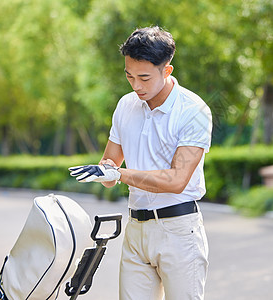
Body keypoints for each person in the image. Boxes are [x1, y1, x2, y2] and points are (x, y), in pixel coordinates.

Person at [69, 26, 212, 300]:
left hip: (179, 231)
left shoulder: (194, 111)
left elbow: (176, 180)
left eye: (144, 78)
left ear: (166, 71)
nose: (136, 86)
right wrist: (103, 171)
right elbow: (111, 166)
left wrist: (119, 174)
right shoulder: (126, 105)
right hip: (135, 231)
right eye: (129, 76)